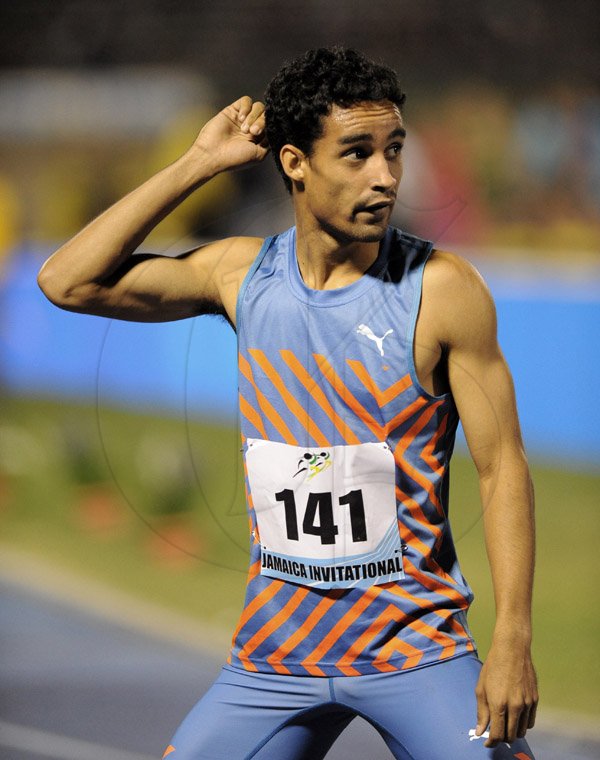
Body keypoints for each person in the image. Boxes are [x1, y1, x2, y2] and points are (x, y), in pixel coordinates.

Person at [38, 47, 538, 760]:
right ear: (295, 162)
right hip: (273, 663)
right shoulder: (240, 275)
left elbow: (504, 468)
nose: (386, 176)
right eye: (358, 154)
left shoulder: (443, 289)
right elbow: (67, 282)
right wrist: (197, 164)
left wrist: (513, 639)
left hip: (417, 654)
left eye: (394, 150)